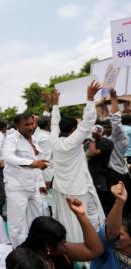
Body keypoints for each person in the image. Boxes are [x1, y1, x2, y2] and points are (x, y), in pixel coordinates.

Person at [50, 83, 105, 243]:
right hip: (77, 189)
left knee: (66, 222)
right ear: (74, 129)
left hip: (61, 189)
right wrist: (90, 98)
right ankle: (83, 252)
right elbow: (88, 122)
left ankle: (70, 249)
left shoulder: (54, 140)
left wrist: (55, 105)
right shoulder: (73, 141)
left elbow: (54, 124)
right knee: (81, 223)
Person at [2, 112, 48, 247]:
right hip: (17, 187)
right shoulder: (12, 138)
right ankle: (19, 252)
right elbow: (8, 158)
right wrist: (31, 163)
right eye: (26, 124)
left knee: (36, 219)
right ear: (17, 125)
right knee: (17, 224)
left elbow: (36, 162)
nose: (30, 127)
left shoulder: (34, 139)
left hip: (33, 186)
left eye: (32, 123)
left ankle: (34, 249)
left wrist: (41, 183)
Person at [18, 198, 103, 268]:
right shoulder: (23, 261)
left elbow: (94, 251)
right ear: (48, 246)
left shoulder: (59, 251)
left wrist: (81, 215)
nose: (66, 245)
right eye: (62, 243)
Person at [91, 181, 130, 268]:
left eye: (119, 235)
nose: (115, 237)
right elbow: (111, 232)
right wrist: (119, 201)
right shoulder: (104, 248)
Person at [86, 124, 114, 212]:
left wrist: (92, 140)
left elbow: (93, 153)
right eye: (93, 132)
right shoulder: (88, 142)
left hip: (100, 173)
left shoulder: (107, 142)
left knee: (100, 196)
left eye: (96, 132)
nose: (94, 134)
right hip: (88, 172)